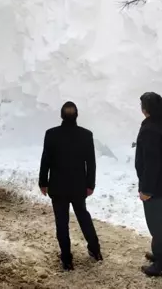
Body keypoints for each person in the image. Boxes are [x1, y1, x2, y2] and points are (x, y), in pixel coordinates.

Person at [39, 101, 102, 270]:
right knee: (83, 216)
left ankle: (66, 258)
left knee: (61, 222)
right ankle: (95, 250)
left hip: (58, 186)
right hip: (78, 186)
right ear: (77, 115)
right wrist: (90, 184)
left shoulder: (51, 134)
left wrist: (43, 182)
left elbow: (45, 160)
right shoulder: (86, 135)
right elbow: (91, 163)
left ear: (61, 115)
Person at [134, 92, 162, 278]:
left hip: (155, 185)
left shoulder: (150, 129)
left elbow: (151, 162)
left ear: (145, 109)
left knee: (157, 223)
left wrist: (146, 189)